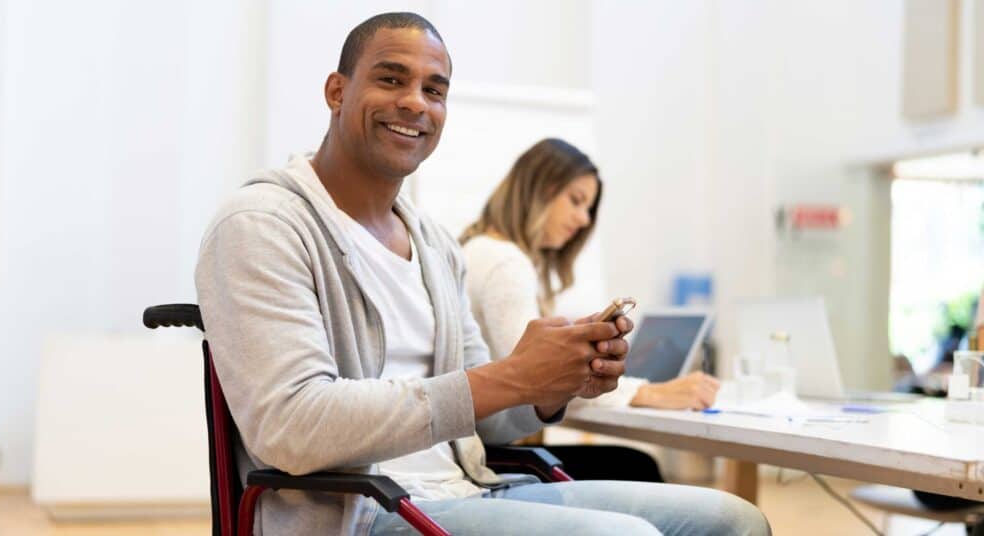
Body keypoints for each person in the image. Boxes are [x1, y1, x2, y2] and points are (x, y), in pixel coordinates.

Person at [195, 12, 768, 535]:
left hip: (464, 491)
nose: (416, 103)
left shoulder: (436, 245)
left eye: (434, 90)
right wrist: (512, 377)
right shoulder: (261, 226)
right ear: (337, 91)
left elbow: (487, 427)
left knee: (731, 520)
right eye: (391, 80)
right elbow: (293, 429)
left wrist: (554, 383)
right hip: (356, 513)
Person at [460, 138, 721, 414]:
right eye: (576, 201)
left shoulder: (478, 248)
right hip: (494, 444)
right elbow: (542, 376)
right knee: (637, 460)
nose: (584, 219)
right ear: (537, 192)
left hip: (484, 435)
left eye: (588, 209)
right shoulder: (506, 263)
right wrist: (649, 392)